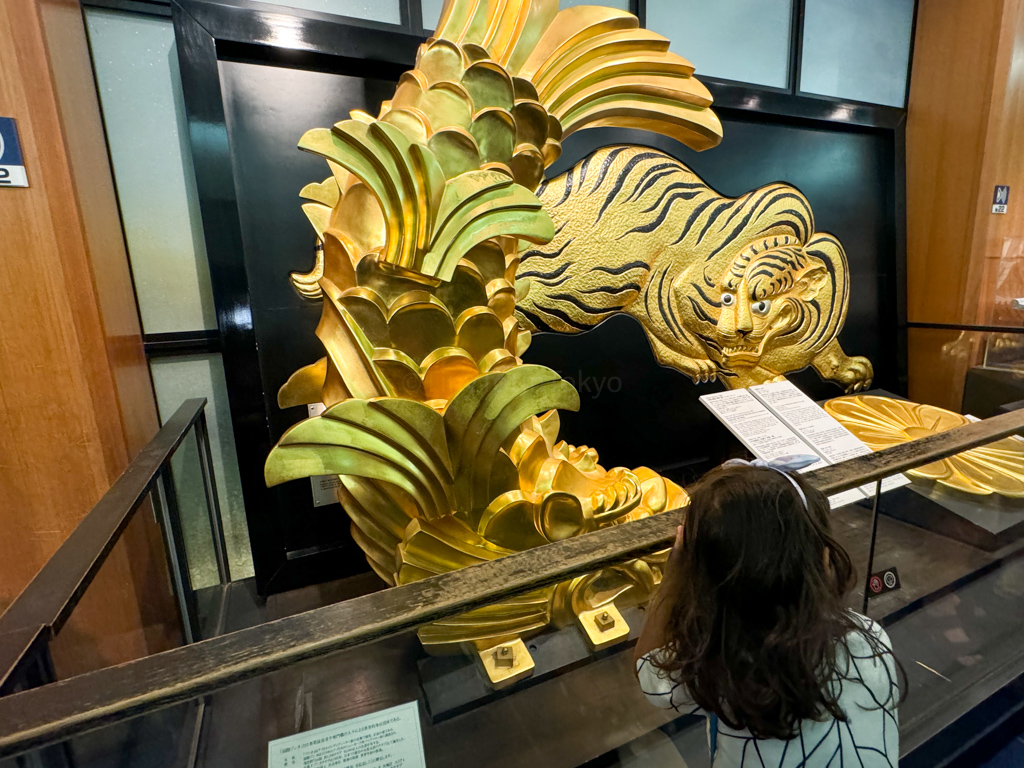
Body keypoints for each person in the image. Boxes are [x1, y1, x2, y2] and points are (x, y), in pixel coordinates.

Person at [634, 457, 901, 767]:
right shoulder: (870, 635)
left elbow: (648, 673)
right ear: (825, 559)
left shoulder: (720, 668)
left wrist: (673, 574)